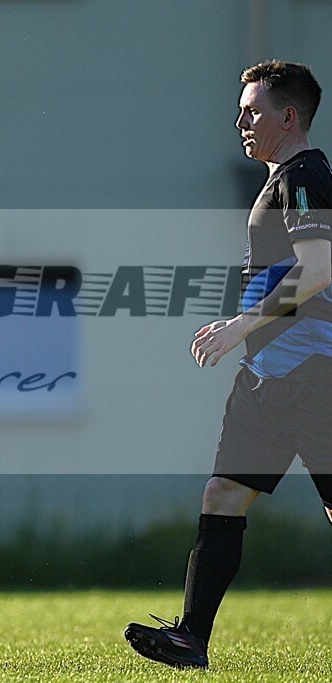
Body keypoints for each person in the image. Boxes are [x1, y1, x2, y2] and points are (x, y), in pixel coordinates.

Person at [125, 60, 332, 670]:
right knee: (223, 494)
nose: (240, 121)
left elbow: (319, 269)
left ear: (288, 117)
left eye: (252, 110)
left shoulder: (305, 175)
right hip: (267, 380)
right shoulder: (282, 178)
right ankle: (191, 638)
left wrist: (240, 324)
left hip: (314, 377)